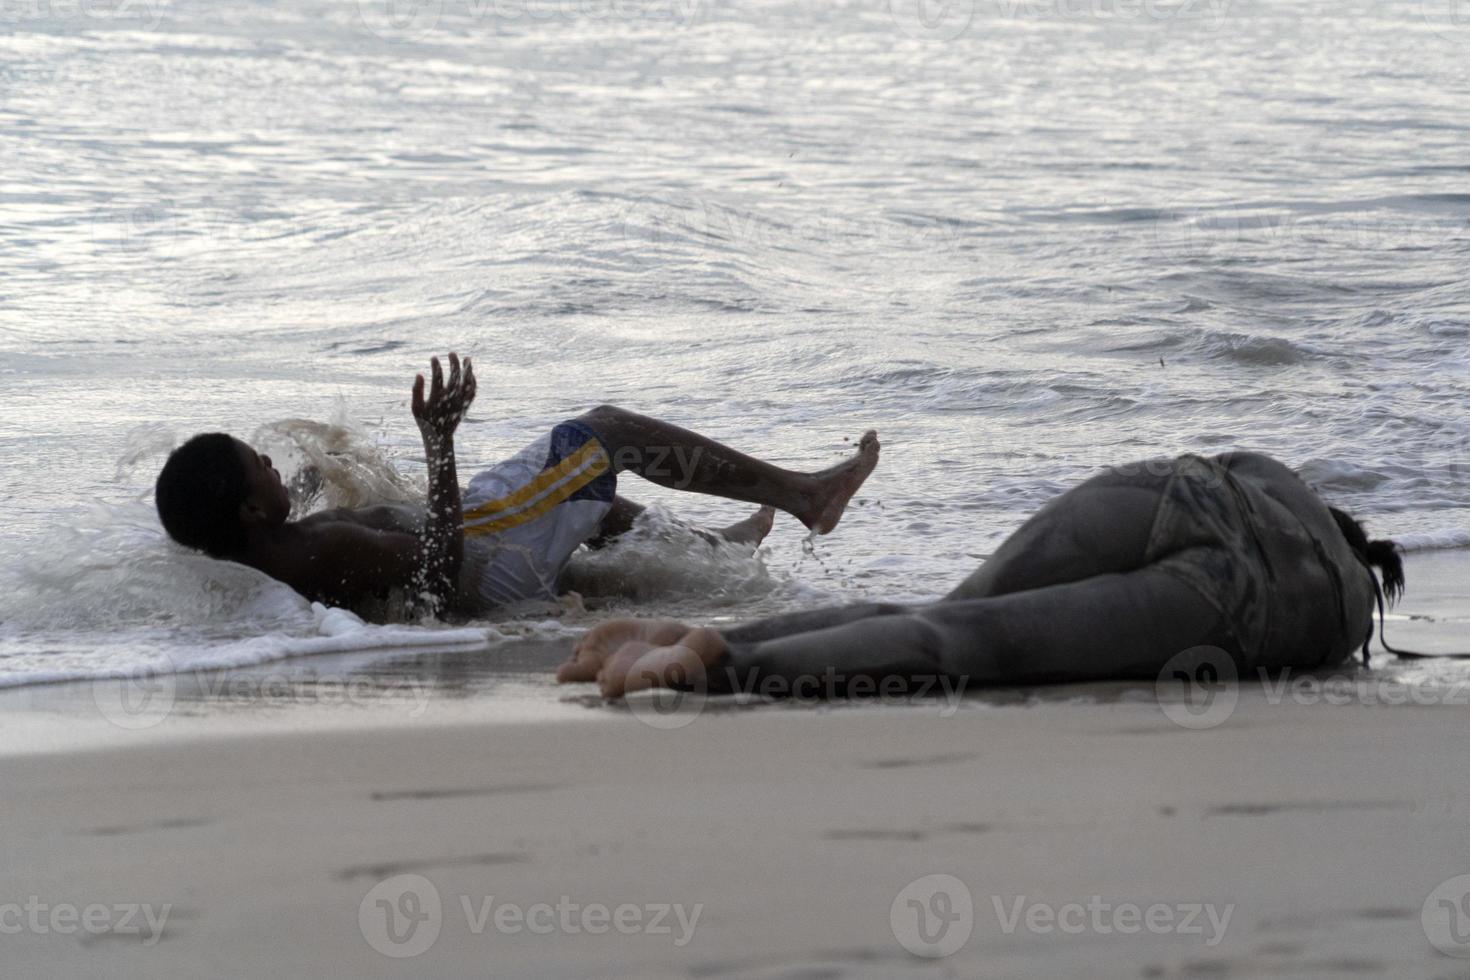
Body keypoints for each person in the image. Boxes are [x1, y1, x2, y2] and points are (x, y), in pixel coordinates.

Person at [557, 451, 1406, 697]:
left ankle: (710, 638)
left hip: (1177, 490)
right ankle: (726, 664)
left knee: (953, 605)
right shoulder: (1348, 604)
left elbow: (1233, 463)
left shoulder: (1282, 480)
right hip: (1245, 606)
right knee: (963, 642)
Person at [154, 352, 881, 615]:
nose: (274, 465)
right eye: (263, 467)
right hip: (489, 564)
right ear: (249, 509)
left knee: (578, 489)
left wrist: (316, 482)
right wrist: (439, 448)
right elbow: (438, 576)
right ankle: (803, 496)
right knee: (605, 435)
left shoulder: (259, 550)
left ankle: (713, 545)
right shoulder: (321, 549)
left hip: (481, 536)